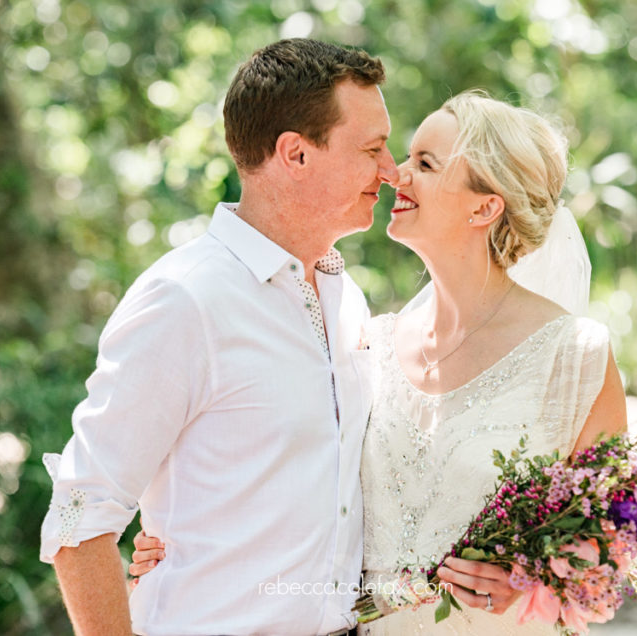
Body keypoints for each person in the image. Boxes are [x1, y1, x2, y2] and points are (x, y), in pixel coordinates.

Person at [131, 91, 628, 635]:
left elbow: (609, 550)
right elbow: (288, 475)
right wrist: (184, 548)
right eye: (404, 156)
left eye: (425, 164)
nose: (395, 174)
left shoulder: (576, 359)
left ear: (484, 206)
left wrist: (531, 576)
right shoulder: (366, 340)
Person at [39, 38, 400, 636]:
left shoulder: (347, 298)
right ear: (296, 154)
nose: (390, 170)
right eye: (372, 148)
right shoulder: (183, 301)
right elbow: (80, 514)